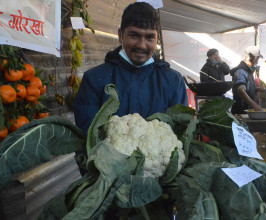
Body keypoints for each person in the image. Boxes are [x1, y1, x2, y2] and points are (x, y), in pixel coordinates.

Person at [73, 2, 188, 136]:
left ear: (158, 38)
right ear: (120, 35)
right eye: (134, 35)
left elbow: (180, 133)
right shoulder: (94, 79)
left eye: (150, 37)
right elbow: (86, 138)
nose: (142, 45)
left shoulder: (173, 81)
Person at [231, 46, 264, 114]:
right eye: (256, 58)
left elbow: (247, 87)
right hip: (241, 112)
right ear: (249, 57)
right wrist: (255, 106)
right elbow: (241, 90)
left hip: (248, 111)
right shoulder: (241, 72)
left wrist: (256, 89)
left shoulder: (249, 71)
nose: (256, 60)